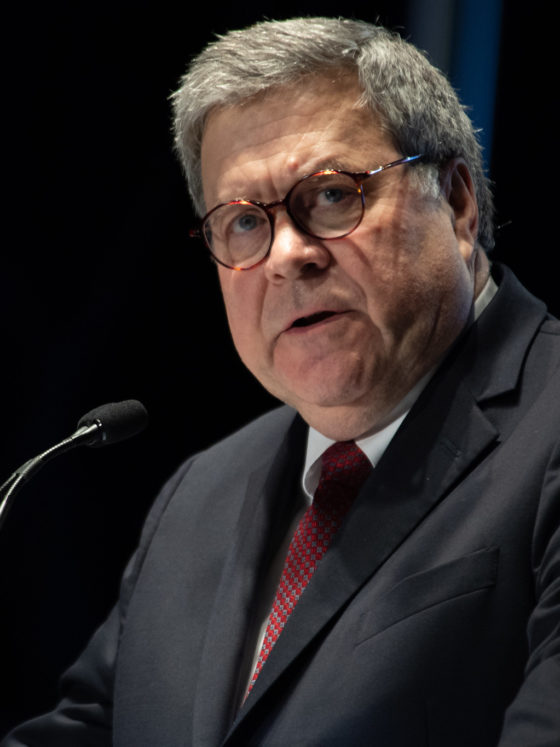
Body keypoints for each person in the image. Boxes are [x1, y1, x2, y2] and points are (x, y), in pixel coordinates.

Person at [3, 16, 559, 747]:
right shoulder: (197, 496)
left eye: (332, 195)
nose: (286, 255)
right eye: (242, 222)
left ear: (456, 204)